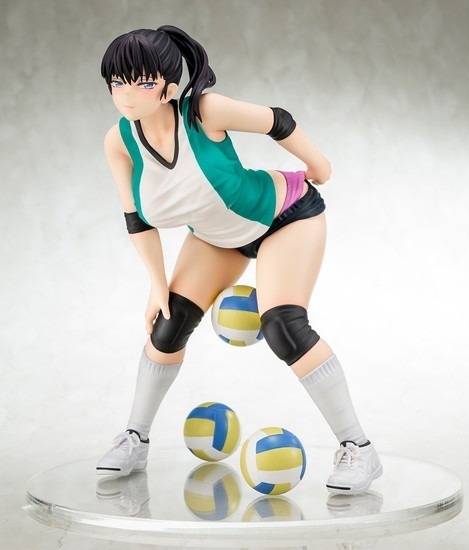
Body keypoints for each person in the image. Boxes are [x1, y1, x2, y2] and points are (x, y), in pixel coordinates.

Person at [96, 25, 382, 495]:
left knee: (283, 327)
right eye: (117, 83)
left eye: (142, 82)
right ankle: (135, 438)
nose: (126, 95)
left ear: (169, 85)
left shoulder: (203, 111)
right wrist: (156, 283)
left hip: (284, 217)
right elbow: (136, 220)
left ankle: (360, 449)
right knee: (167, 325)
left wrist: (319, 165)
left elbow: (277, 119)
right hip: (216, 237)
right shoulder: (119, 141)